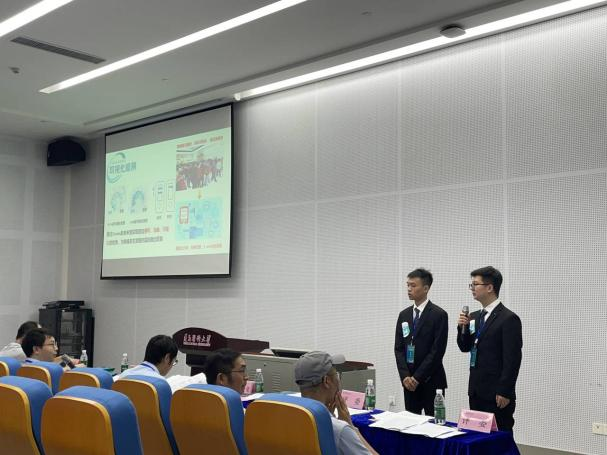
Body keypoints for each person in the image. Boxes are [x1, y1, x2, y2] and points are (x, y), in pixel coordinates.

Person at [457, 266, 522, 432]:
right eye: (471, 285)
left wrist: (505, 390)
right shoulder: (474, 317)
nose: (472, 288)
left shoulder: (508, 319)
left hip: (497, 393)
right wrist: (462, 328)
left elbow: (513, 359)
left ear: (490, 287)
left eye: (475, 284)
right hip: (476, 390)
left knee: (499, 437)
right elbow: (465, 347)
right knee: (478, 437)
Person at [294, 351, 378, 455]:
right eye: (336, 374)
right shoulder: (339, 429)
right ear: (326, 381)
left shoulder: (291, 418)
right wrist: (351, 427)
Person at [394, 268, 448, 415]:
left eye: (413, 285)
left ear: (425, 288)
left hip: (432, 381)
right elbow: (399, 348)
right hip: (409, 382)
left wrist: (417, 378)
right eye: (408, 285)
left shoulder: (439, 315)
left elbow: (437, 351)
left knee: (434, 424)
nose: (409, 289)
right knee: (411, 423)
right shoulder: (404, 315)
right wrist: (405, 376)